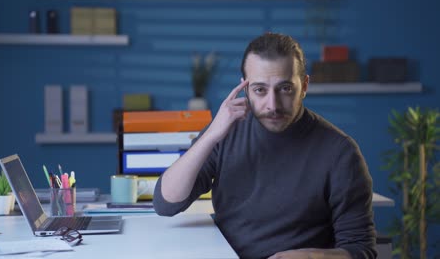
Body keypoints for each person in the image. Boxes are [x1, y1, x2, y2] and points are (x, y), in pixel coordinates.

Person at [153, 32, 377, 259]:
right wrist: (210, 135)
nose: (273, 104)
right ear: (245, 88)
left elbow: (362, 250)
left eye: (285, 88)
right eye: (260, 90)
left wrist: (305, 257)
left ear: (305, 86)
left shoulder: (340, 152)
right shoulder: (225, 133)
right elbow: (166, 204)